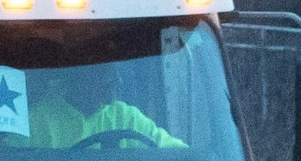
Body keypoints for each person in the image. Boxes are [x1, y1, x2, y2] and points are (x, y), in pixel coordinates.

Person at [21, 63, 188, 150]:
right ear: (80, 79)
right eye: (104, 74)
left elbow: (175, 153)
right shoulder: (35, 120)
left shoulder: (125, 116)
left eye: (115, 75)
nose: (116, 81)